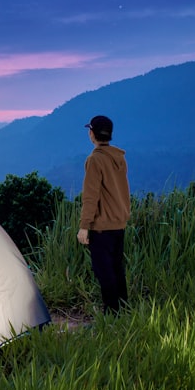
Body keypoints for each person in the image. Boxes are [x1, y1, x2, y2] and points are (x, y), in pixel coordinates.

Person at [77, 115, 131, 314]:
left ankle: (111, 314)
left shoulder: (95, 160)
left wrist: (84, 226)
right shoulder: (119, 158)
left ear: (92, 133)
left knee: (104, 271)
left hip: (102, 226)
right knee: (117, 268)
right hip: (119, 222)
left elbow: (90, 196)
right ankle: (123, 310)